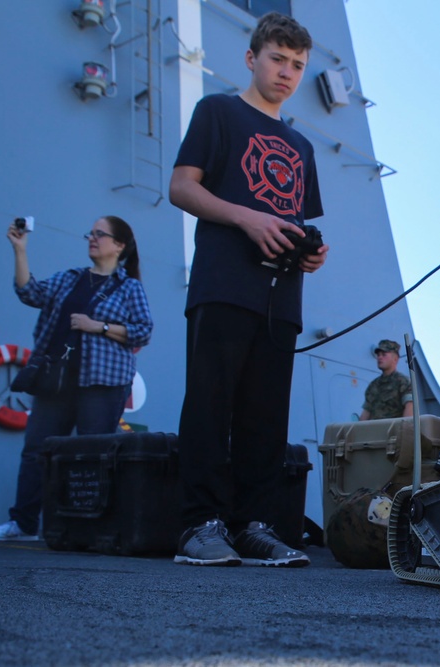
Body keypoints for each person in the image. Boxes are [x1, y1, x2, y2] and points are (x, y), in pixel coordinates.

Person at [168, 12, 328, 567]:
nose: (287, 72)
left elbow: (294, 219)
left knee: (266, 415)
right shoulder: (217, 112)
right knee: (211, 407)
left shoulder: (301, 147)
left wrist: (312, 254)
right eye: (278, 59)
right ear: (252, 58)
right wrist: (246, 219)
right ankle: (200, 526)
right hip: (222, 283)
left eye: (297, 65)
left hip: (280, 299)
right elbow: (182, 187)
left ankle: (256, 525)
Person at [0, 215, 152, 541]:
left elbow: (143, 331)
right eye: (90, 233)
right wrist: (20, 250)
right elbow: (30, 292)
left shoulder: (129, 287)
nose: (92, 238)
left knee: (93, 455)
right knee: (36, 450)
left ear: (118, 245)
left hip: (103, 382)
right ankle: (23, 524)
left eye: (100, 234)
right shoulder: (70, 278)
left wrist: (99, 326)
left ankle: (88, 525)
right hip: (56, 379)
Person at [360, 339, 413, 421]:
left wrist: (405, 429)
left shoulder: (403, 382)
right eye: (378, 355)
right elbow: (366, 412)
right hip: (374, 431)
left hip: (394, 431)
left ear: (395, 359)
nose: (379, 357)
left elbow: (410, 408)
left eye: (384, 354)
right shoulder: (373, 385)